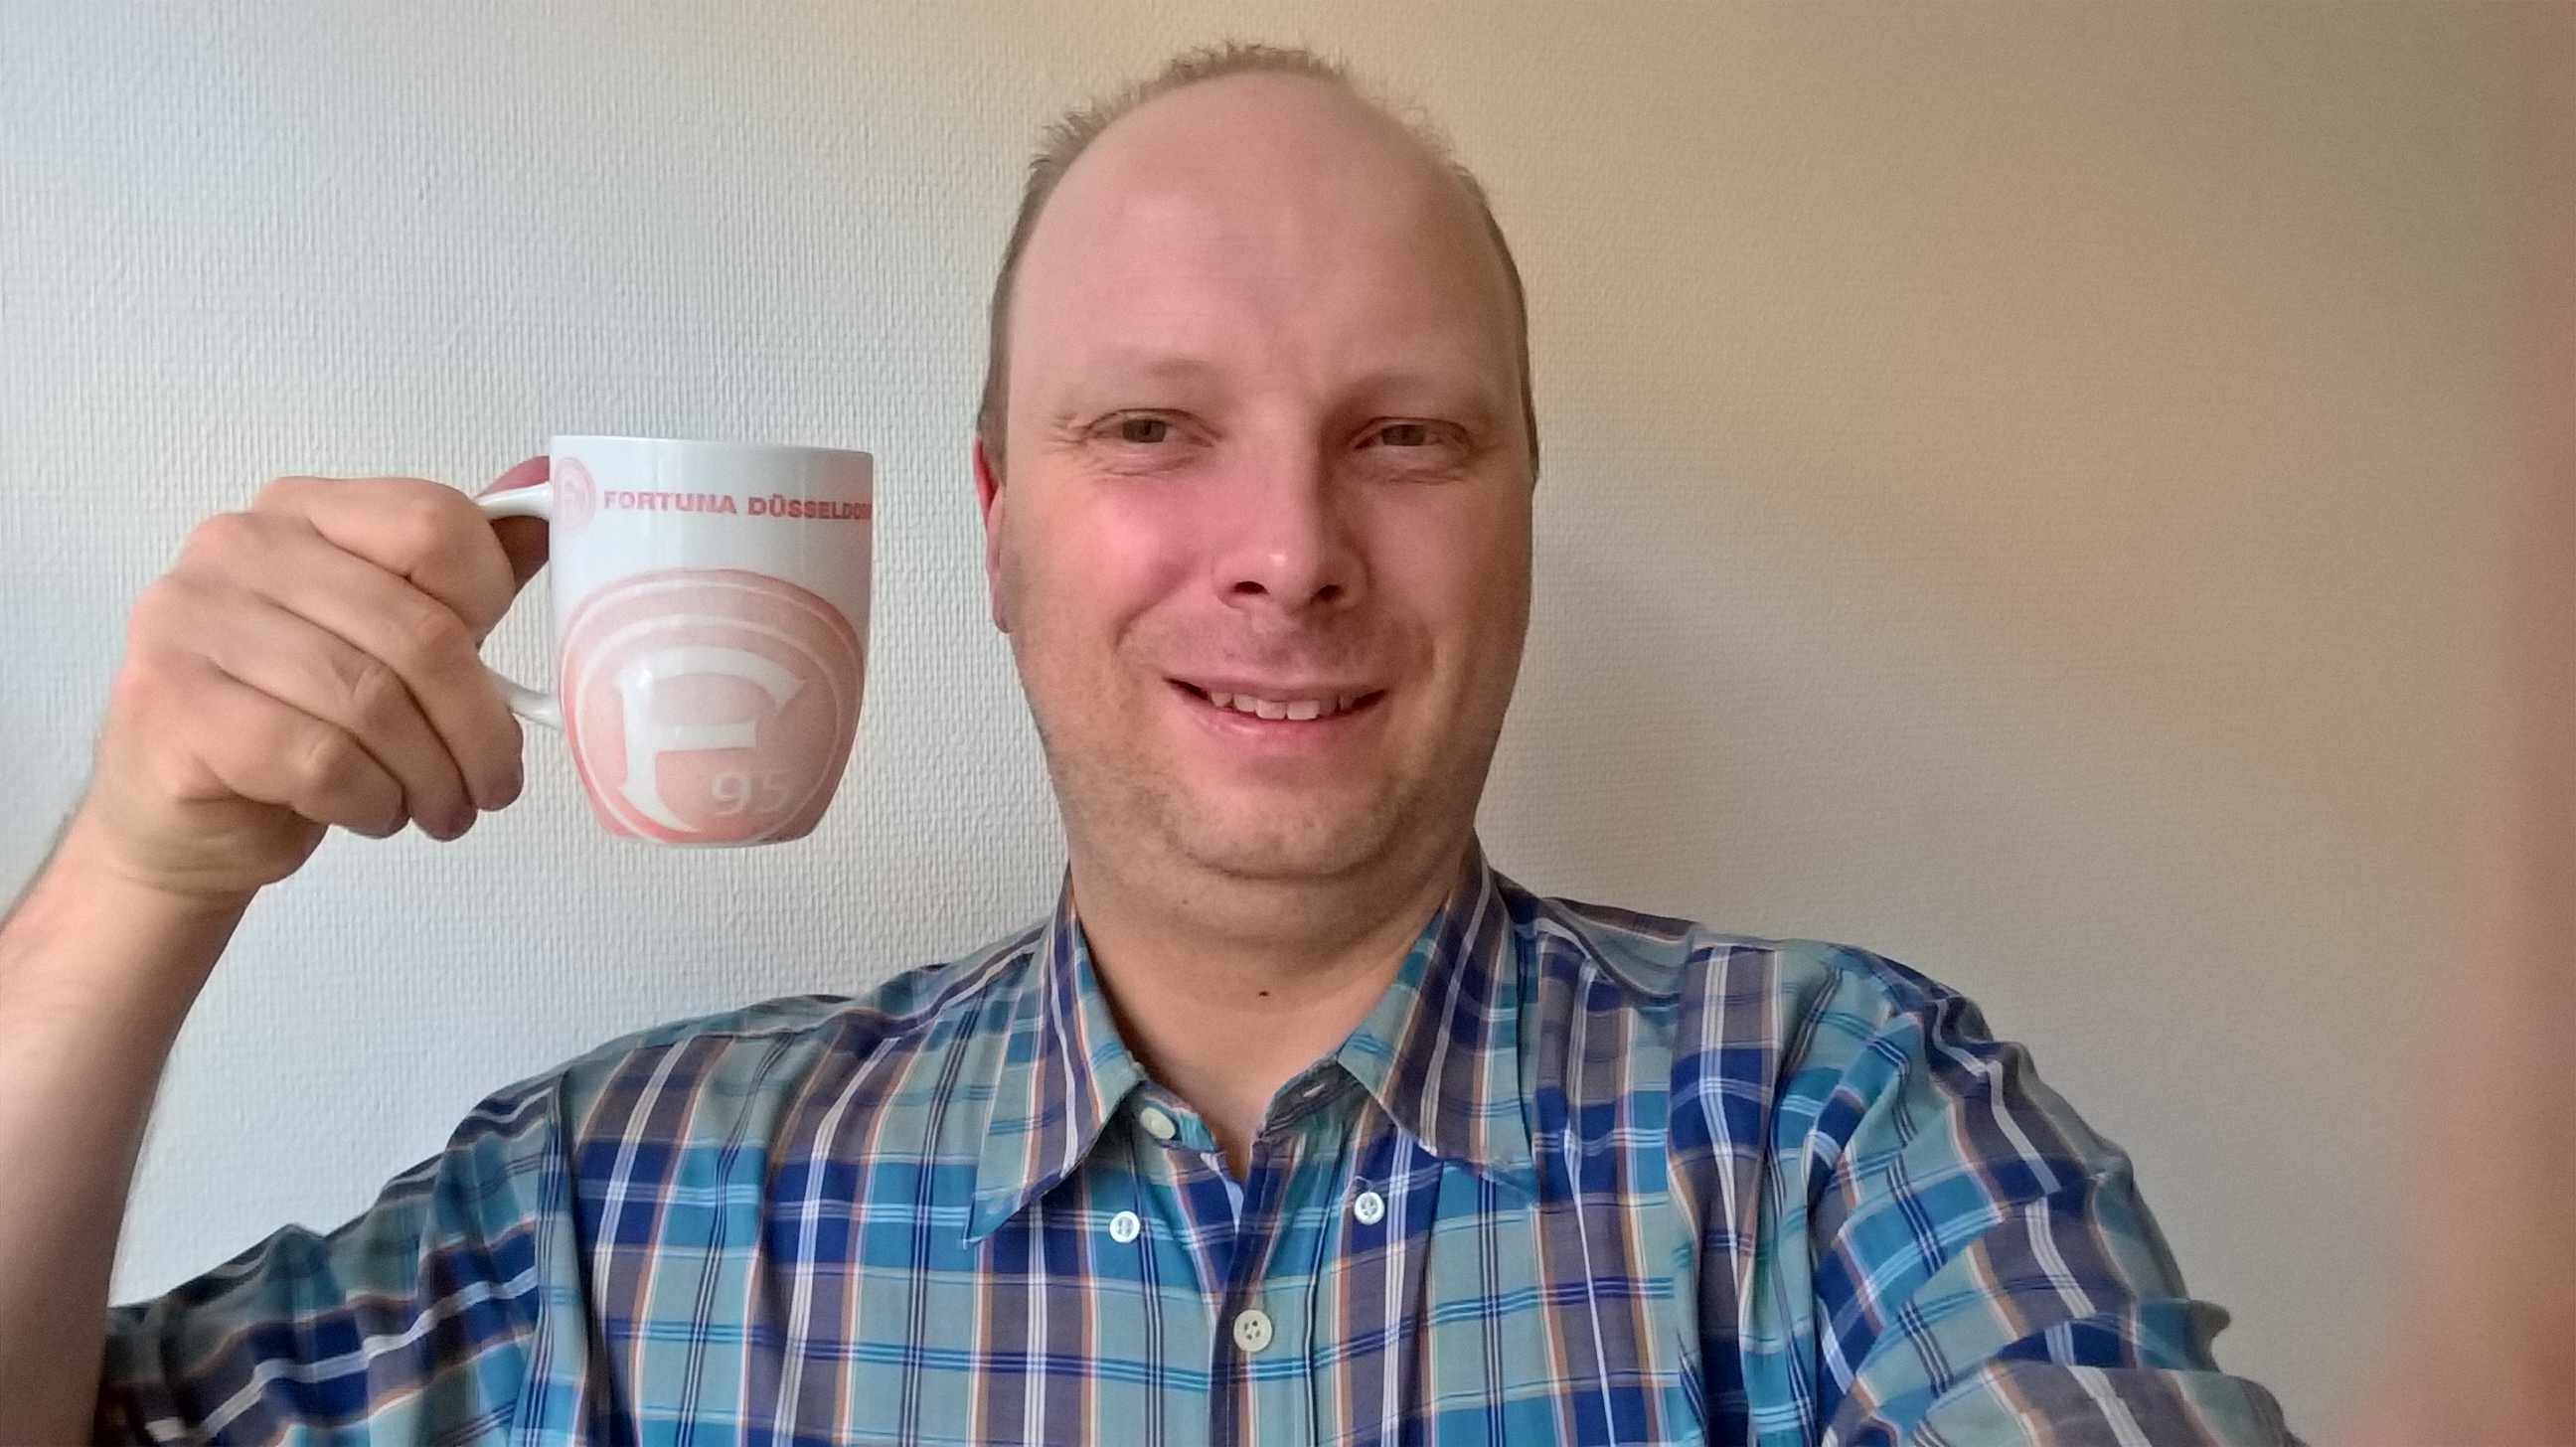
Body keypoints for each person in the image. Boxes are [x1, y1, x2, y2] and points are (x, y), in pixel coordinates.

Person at [0, 43, 2298, 1445]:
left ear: (1521, 508)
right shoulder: (633, 1203)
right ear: (1000, 523)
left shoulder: (1839, 1124)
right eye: (1150, 427)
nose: (1289, 550)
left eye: (1407, 432)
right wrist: (141, 866)